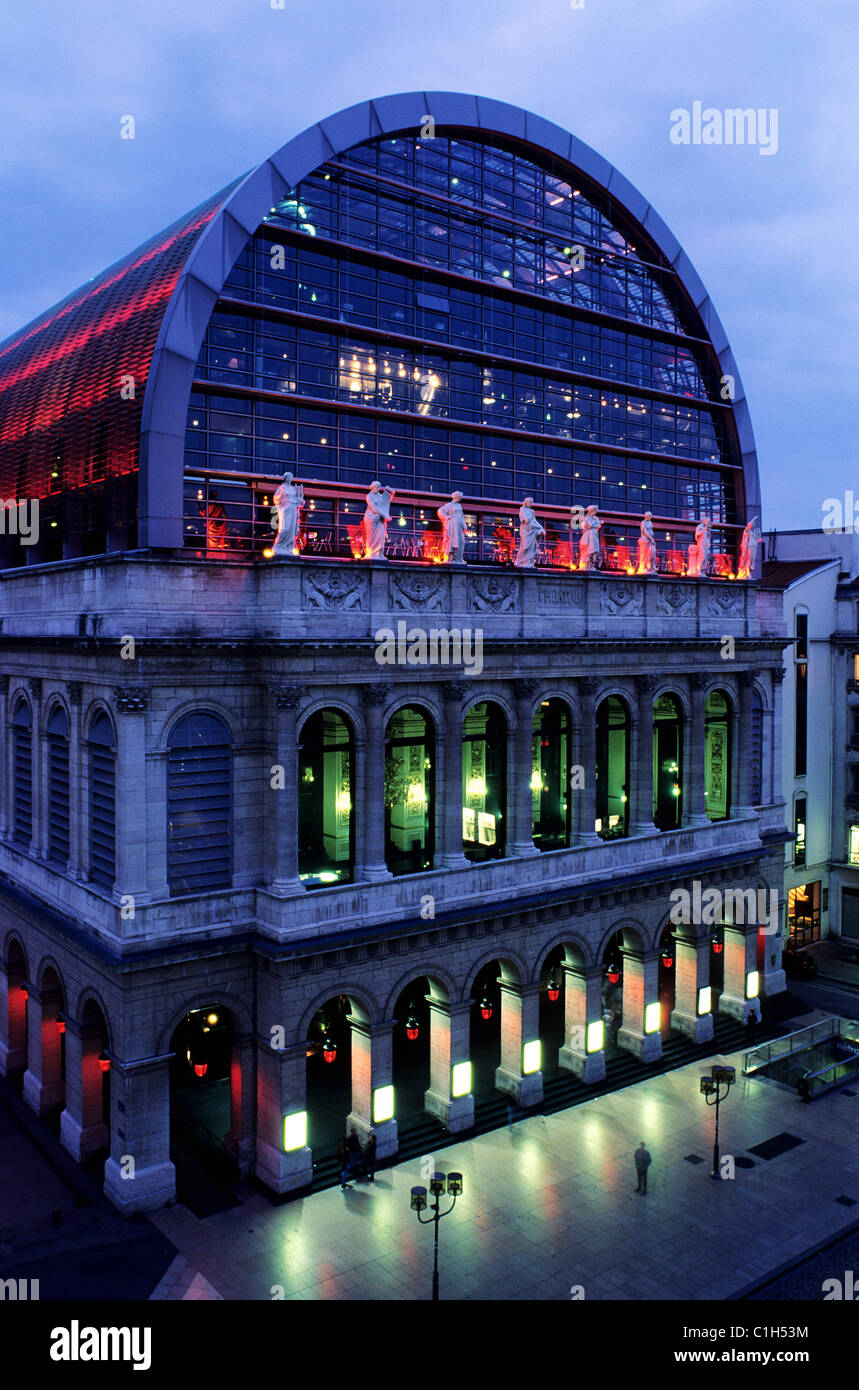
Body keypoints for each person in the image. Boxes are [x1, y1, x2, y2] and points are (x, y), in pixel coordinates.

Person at [272, 471, 304, 557]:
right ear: (285, 478)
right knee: (284, 529)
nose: (289, 479)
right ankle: (277, 547)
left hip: (293, 508)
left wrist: (300, 500)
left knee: (291, 530)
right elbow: (275, 498)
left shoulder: (293, 489)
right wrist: (280, 508)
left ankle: (289, 548)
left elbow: (299, 499)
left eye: (290, 477)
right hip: (285, 509)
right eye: (287, 477)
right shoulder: (282, 488)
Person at [362, 482, 395, 560]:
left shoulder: (380, 496)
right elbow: (374, 508)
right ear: (373, 487)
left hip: (380, 520)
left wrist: (391, 493)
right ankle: (371, 553)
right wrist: (384, 516)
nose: (378, 489)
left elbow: (386, 503)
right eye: (377, 487)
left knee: (381, 536)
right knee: (371, 537)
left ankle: (379, 554)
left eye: (379, 487)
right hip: (371, 519)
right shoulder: (369, 496)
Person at [513, 497, 545, 568]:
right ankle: (518, 562)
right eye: (529, 502)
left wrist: (541, 528)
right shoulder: (522, 510)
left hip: (531, 530)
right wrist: (530, 516)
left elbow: (534, 521)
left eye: (531, 502)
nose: (530, 504)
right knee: (525, 546)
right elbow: (526, 520)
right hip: (525, 530)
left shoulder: (532, 511)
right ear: (526, 502)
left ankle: (528, 563)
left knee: (531, 548)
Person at [437, 491, 467, 564]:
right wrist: (447, 517)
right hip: (453, 525)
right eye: (459, 497)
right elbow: (440, 511)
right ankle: (451, 558)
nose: (459, 499)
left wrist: (464, 525)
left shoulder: (459, 505)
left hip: (459, 525)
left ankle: (459, 558)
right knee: (452, 540)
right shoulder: (449, 505)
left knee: (461, 541)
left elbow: (461, 516)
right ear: (455, 497)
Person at [578, 504, 602, 571]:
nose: (595, 512)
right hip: (589, 535)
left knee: (594, 550)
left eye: (595, 511)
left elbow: (598, 525)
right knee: (588, 549)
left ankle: (591, 566)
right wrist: (593, 525)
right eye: (594, 511)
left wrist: (593, 525)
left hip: (594, 535)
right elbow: (588, 525)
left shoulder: (596, 518)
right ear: (591, 511)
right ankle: (586, 566)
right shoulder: (587, 518)